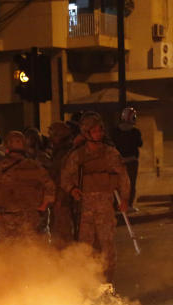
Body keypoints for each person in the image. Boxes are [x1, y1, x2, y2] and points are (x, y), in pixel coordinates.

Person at [60, 113, 131, 282]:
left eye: (100, 130)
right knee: (85, 248)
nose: (99, 133)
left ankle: (107, 282)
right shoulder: (77, 155)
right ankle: (87, 282)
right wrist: (72, 190)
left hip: (106, 206)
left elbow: (123, 177)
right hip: (85, 209)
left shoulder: (111, 153)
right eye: (95, 130)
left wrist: (125, 198)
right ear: (86, 133)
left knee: (107, 246)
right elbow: (65, 177)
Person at [0, 131, 55, 242]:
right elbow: (50, 187)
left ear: (7, 146)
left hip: (7, 217)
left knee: (9, 252)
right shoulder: (35, 166)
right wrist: (43, 206)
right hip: (31, 217)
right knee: (30, 251)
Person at [46, 121, 76, 248]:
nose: (50, 137)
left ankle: (66, 261)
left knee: (62, 233)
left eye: (53, 134)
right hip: (60, 199)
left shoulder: (65, 153)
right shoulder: (60, 152)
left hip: (63, 199)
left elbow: (62, 177)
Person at [112, 107, 143, 209]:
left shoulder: (115, 131)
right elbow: (140, 143)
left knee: (118, 184)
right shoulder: (135, 132)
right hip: (131, 161)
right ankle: (128, 204)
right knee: (130, 184)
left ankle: (117, 204)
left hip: (118, 161)